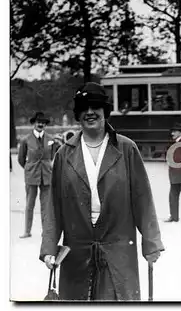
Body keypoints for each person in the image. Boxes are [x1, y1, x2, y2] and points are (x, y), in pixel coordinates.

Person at [39, 82, 164, 300]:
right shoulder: (63, 154)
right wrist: (49, 247)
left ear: (105, 111)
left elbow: (142, 198)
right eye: (84, 108)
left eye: (95, 107)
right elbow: (54, 206)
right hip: (76, 251)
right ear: (78, 114)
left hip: (118, 248)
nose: (90, 112)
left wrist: (151, 242)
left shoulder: (126, 148)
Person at [18, 111, 60, 238]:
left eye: (43, 122)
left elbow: (54, 155)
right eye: (38, 122)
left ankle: (45, 232)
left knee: (46, 206)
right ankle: (27, 231)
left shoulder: (51, 139)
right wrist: (29, 168)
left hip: (47, 176)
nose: (40, 124)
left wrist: (48, 166)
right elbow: (21, 158)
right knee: (30, 204)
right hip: (31, 176)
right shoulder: (26, 140)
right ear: (34, 124)